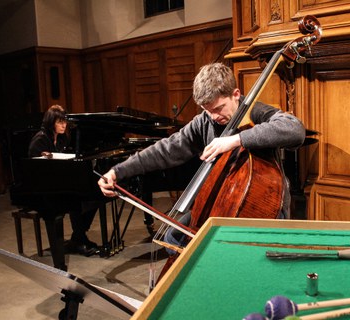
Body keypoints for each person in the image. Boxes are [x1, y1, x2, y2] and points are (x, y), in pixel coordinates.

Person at [98, 62, 306, 253]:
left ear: (235, 94)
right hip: (219, 202)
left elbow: (295, 129)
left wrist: (236, 139)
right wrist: (118, 171)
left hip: (263, 207)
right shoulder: (204, 122)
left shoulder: (256, 112)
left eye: (218, 108)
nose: (214, 116)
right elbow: (165, 149)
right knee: (173, 239)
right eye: (207, 111)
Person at [28, 105, 99, 257]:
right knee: (75, 201)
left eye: (65, 122)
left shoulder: (63, 138)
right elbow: (34, 170)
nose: (64, 125)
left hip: (60, 184)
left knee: (93, 199)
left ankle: (78, 238)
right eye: (60, 122)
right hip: (43, 188)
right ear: (51, 122)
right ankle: (79, 241)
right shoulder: (40, 140)